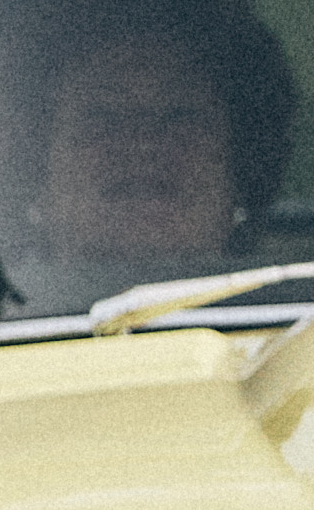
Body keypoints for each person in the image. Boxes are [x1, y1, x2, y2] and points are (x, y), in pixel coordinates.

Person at [17, 17, 294, 302]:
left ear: (243, 163)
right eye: (104, 118)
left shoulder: (308, 317)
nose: (143, 142)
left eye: (180, 116)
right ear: (36, 163)